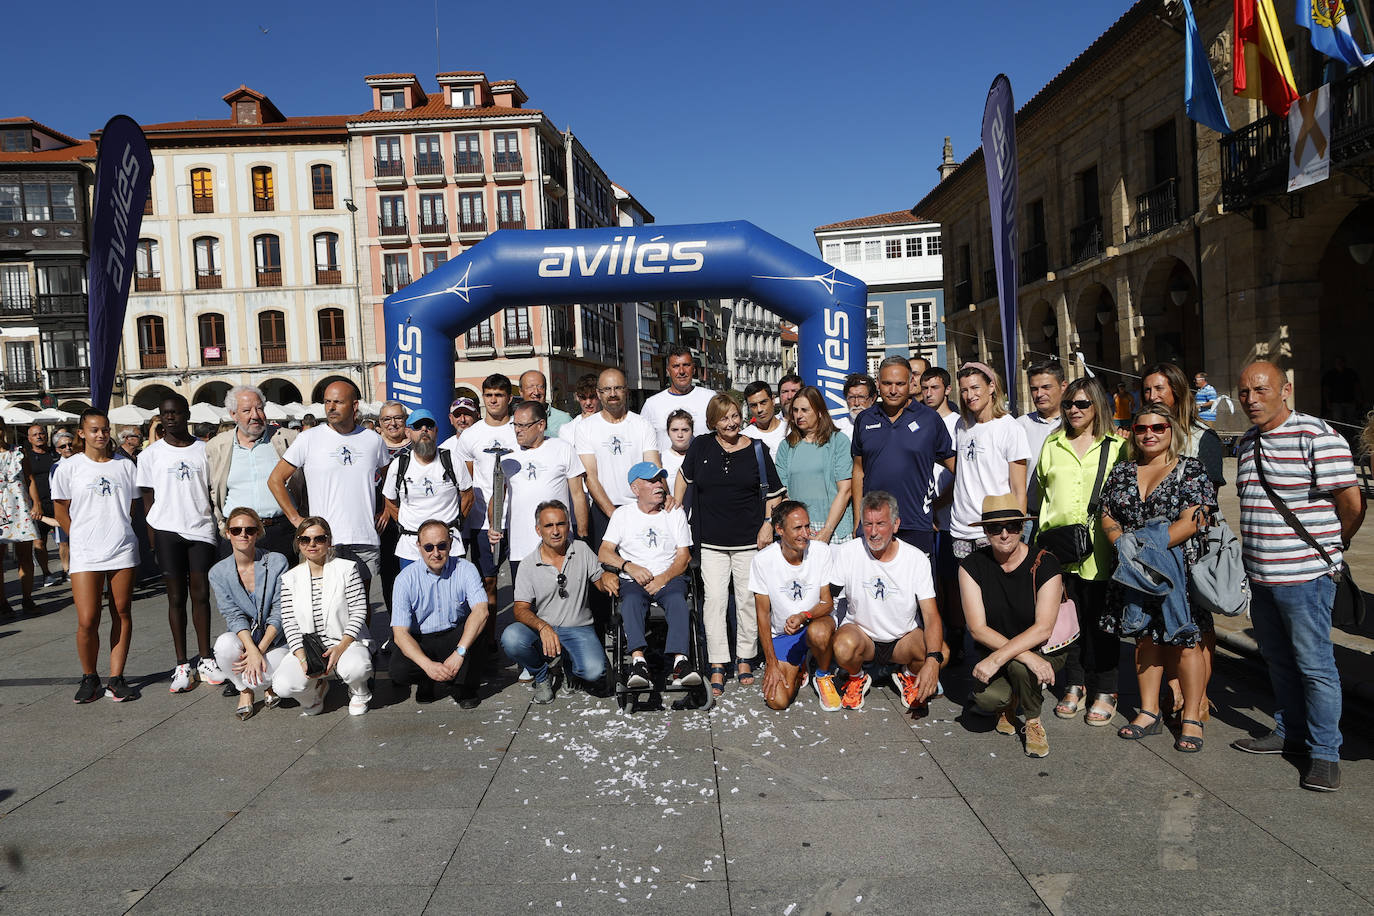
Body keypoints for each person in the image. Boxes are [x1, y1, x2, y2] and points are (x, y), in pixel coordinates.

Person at [1232, 361, 1365, 792]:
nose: (1250, 400)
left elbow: (1351, 503)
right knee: (1278, 659)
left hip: (1305, 576)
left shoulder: (1317, 437)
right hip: (1262, 575)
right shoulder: (1249, 439)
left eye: (1260, 390)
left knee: (1315, 666)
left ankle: (1325, 753)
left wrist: (1330, 548)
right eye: (1243, 392)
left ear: (1285, 390)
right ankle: (1289, 731)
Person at [1099, 404, 1215, 753]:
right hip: (1133, 569)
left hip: (1175, 568)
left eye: (1158, 427)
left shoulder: (1189, 469)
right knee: (1143, 638)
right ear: (1133, 432)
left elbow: (1195, 518)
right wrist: (1120, 542)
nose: (1149, 434)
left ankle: (1191, 716)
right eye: (1141, 428)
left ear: (1171, 431)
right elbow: (1106, 513)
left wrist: (1147, 548)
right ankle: (1149, 711)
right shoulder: (1122, 471)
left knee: (1185, 640)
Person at [676, 392, 784, 695]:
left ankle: (745, 658)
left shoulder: (758, 449)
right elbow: (683, 478)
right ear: (713, 422)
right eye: (724, 418)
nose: (732, 422)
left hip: (749, 540)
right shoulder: (701, 445)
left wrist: (766, 524)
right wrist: (677, 509)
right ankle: (718, 663)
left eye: (735, 415)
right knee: (715, 601)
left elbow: (774, 494)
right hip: (710, 540)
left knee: (748, 602)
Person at [1033, 377, 1125, 726]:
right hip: (1058, 548)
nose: (1074, 410)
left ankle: (1106, 688)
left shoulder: (1116, 447)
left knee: (1102, 622)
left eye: (1082, 404)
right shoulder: (1053, 443)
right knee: (1066, 621)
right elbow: (1042, 492)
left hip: (1101, 549)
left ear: (1097, 405)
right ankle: (1074, 683)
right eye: (1069, 404)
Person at [1141, 361, 1226, 718]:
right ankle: (1176, 688)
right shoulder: (1145, 432)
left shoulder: (1201, 438)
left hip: (1192, 547)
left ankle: (1199, 698)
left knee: (1197, 623)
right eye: (1146, 390)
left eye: (1159, 389)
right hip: (1157, 551)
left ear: (1177, 392)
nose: (1152, 396)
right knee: (1163, 621)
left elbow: (1207, 506)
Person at [960, 494, 1070, 758]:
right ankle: (1007, 704)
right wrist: (1013, 657)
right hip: (1000, 647)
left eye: (1013, 526)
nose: (1005, 534)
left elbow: (1044, 628)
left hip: (1044, 648)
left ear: (1023, 527)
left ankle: (1033, 721)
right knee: (987, 697)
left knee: (1020, 667)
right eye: (995, 528)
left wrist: (1002, 658)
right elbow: (977, 629)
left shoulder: (1045, 563)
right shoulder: (972, 565)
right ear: (985, 531)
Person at [52, 409, 140, 703]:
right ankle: (90, 676)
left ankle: (116, 678)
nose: (100, 435)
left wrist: (116, 527)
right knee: (88, 618)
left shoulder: (124, 466)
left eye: (104, 429)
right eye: (94, 430)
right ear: (81, 433)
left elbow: (130, 506)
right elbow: (61, 510)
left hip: (121, 548)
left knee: (122, 611)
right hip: (85, 552)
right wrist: (77, 536)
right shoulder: (69, 467)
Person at [829, 491, 945, 710]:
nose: (873, 532)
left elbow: (931, 615)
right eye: (868, 524)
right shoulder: (847, 552)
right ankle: (856, 677)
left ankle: (909, 675)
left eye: (881, 524)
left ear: (895, 524)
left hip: (903, 638)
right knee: (842, 646)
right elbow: (829, 598)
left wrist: (932, 661)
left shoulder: (916, 559)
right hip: (862, 635)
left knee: (941, 653)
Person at [138, 394, 222, 693]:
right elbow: (147, 496)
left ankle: (206, 657)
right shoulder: (150, 454)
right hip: (166, 530)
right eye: (164, 413)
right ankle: (181, 663)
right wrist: (152, 535)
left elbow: (213, 489)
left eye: (174, 412)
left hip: (200, 528)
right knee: (175, 597)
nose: (170, 417)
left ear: (187, 414)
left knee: (200, 594)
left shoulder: (205, 450)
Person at [270, 380, 390, 588]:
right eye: (327, 402)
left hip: (363, 536)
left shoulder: (373, 440)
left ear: (354, 406)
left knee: (361, 605)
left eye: (337, 402)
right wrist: (296, 519)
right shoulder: (308, 438)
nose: (331, 407)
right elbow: (275, 479)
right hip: (322, 540)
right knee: (324, 605)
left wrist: (388, 509)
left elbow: (390, 479)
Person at [599, 463, 698, 689]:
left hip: (669, 577)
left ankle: (680, 663)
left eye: (660, 480)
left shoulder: (674, 513)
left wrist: (663, 578)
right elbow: (604, 552)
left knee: (677, 601)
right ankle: (638, 662)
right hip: (633, 579)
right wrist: (628, 566)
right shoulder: (622, 515)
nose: (658, 485)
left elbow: (683, 556)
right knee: (631, 601)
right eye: (651, 481)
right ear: (635, 488)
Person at [503, 500, 608, 703]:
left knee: (594, 672)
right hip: (545, 627)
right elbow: (520, 609)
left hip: (579, 627)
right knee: (511, 637)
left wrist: (609, 578)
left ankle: (570, 665)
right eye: (549, 526)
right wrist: (542, 627)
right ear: (538, 530)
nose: (556, 531)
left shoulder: (581, 549)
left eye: (560, 524)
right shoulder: (527, 564)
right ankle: (542, 675)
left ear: (569, 525)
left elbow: (600, 583)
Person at [850, 357, 955, 557]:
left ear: (911, 384)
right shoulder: (864, 419)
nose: (893, 390)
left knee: (918, 587)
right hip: (874, 524)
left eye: (900, 384)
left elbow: (957, 467)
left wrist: (940, 504)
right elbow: (858, 471)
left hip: (917, 523)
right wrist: (858, 521)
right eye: (887, 383)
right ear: (878, 384)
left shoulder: (929, 419)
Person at [273, 516, 373, 716]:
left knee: (357, 668)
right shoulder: (290, 579)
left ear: (329, 541)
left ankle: (359, 691)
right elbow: (289, 622)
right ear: (298, 543)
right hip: (309, 647)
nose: (312, 544)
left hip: (345, 642)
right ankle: (314, 695)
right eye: (305, 539)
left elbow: (359, 610)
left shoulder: (347, 569)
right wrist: (302, 659)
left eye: (319, 539)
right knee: (282, 686)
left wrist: (341, 646)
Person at [389, 518, 490, 709]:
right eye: (429, 547)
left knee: (479, 632)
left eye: (442, 546)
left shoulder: (466, 569)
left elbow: (481, 610)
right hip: (422, 639)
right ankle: (427, 680)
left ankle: (464, 687)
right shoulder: (405, 579)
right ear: (418, 546)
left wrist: (460, 652)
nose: (436, 553)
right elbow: (400, 633)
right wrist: (427, 665)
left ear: (451, 544)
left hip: (454, 635)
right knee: (399, 669)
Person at [751, 501, 838, 710]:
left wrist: (803, 615)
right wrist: (771, 663)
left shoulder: (821, 551)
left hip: (815, 622)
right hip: (783, 634)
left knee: (817, 633)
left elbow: (827, 603)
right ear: (779, 530)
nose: (805, 534)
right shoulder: (763, 560)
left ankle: (823, 675)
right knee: (777, 701)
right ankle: (800, 665)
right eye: (798, 528)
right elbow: (762, 616)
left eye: (807, 526)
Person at [446, 373, 518, 609]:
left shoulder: (519, 428)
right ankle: (487, 642)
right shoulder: (470, 435)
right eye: (488, 395)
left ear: (509, 398)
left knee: (525, 584)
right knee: (487, 583)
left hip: (519, 519)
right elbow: (467, 481)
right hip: (482, 523)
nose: (493, 400)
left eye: (499, 395)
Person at [209, 507, 289, 720]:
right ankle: (243, 690)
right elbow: (232, 615)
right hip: (245, 639)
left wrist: (259, 650)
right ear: (227, 534)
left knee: (262, 678)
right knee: (223, 646)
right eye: (236, 530)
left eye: (250, 530)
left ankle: (266, 686)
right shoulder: (218, 573)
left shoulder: (277, 562)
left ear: (258, 533)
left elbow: (280, 611)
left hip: (277, 639)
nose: (243, 534)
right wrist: (252, 650)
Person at [496, 401, 588, 582]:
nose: (517, 430)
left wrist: (582, 537)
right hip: (520, 549)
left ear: (541, 425)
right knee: (524, 606)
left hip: (557, 546)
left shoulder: (562, 449)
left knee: (561, 604)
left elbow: (578, 496)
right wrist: (494, 527)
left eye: (523, 425)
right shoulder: (506, 454)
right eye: (515, 425)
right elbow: (498, 496)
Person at [949, 362, 1031, 559]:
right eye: (964, 390)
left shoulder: (1010, 428)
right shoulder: (962, 425)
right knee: (967, 589)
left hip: (996, 528)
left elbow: (1019, 489)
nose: (970, 395)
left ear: (991, 387)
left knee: (996, 588)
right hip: (961, 529)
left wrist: (1013, 531)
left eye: (976, 388)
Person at [207, 385, 299, 560]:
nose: (255, 415)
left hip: (282, 531)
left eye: (259, 408)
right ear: (233, 414)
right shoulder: (217, 446)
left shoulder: (287, 439)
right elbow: (213, 491)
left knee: (285, 586)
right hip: (237, 535)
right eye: (247, 410)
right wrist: (221, 525)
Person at [575, 367, 659, 546]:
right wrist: (613, 514)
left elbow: (653, 469)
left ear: (626, 391)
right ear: (599, 393)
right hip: (603, 510)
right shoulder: (585, 428)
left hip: (641, 509)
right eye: (606, 389)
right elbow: (590, 477)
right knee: (607, 570)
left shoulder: (642, 425)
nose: (612, 394)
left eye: (618, 388)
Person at [382, 408, 469, 574]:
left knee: (452, 597)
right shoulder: (399, 465)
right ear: (408, 432)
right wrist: (406, 523)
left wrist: (457, 523)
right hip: (411, 549)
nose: (424, 430)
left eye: (428, 426)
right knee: (415, 597)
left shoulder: (452, 460)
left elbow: (468, 496)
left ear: (436, 431)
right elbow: (390, 501)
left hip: (449, 547)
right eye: (417, 427)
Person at [774, 386, 852, 544]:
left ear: (819, 411)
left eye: (804, 410)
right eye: (795, 410)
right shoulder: (787, 446)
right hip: (798, 529)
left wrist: (827, 531)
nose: (798, 415)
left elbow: (845, 491)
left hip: (834, 527)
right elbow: (783, 493)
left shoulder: (838, 441)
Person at [641, 346, 717, 456]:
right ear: (668, 371)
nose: (681, 371)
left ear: (694, 369)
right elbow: (642, 443)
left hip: (704, 471)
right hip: (667, 471)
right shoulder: (652, 404)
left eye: (686, 365)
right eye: (676, 366)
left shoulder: (710, 398)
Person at [375, 400, 412, 614]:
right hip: (384, 524)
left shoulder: (416, 445)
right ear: (379, 423)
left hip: (413, 520)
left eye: (398, 417)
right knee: (390, 576)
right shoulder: (372, 446)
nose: (393, 423)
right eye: (387, 419)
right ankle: (394, 626)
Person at [0, 429, 41, 617]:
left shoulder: (18, 452)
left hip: (20, 507)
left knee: (25, 554)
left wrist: (37, 504)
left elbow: (30, 478)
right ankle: (2, 602)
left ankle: (27, 597)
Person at [1018, 361, 1066, 507]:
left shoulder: (1076, 423)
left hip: (1067, 518)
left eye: (1046, 387)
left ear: (1063, 387)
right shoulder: (1019, 426)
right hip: (1030, 518)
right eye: (1034, 389)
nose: (1039, 394)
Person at [23, 424, 59, 588]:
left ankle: (68, 568)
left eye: (42, 433)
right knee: (40, 542)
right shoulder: (26, 456)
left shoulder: (54, 453)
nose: (39, 436)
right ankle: (46, 573)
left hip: (58, 502)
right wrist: (32, 504)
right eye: (35, 434)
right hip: (37, 504)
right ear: (29, 438)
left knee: (66, 540)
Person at [48, 430, 76, 580]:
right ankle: (66, 569)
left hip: (79, 507)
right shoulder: (56, 467)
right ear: (58, 450)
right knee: (64, 540)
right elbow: (55, 493)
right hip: (64, 507)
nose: (68, 448)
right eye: (63, 446)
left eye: (70, 444)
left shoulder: (81, 461)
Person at [520, 369, 573, 439]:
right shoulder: (514, 421)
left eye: (540, 387)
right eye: (530, 387)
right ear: (521, 392)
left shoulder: (564, 420)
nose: (536, 392)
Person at [742, 381, 788, 458]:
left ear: (773, 400)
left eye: (763, 402)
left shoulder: (791, 431)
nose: (759, 409)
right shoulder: (744, 437)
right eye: (753, 405)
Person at [556, 373, 600, 447]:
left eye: (592, 397)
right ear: (576, 397)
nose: (588, 403)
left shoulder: (611, 423)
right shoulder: (567, 430)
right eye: (583, 398)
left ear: (600, 396)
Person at [833, 373, 876, 438]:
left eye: (861, 397)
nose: (856, 403)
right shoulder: (837, 428)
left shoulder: (883, 426)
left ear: (873, 399)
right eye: (852, 397)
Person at [660, 409, 694, 485]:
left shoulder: (699, 458)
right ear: (668, 432)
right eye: (675, 430)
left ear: (692, 432)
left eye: (685, 430)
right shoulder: (660, 459)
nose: (680, 435)